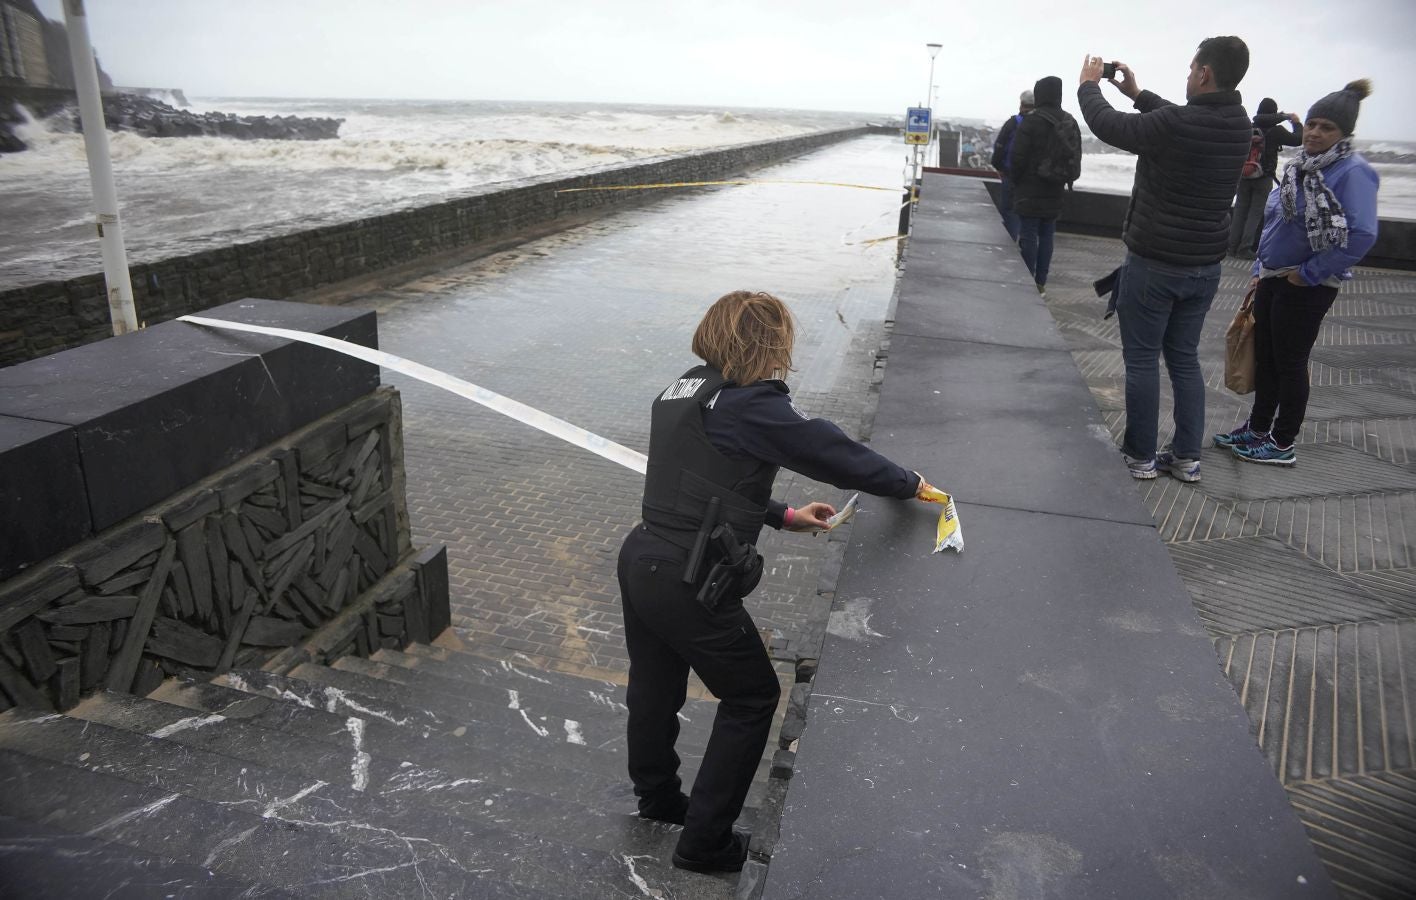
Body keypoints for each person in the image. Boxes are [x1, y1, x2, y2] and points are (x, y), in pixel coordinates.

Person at [617, 290, 937, 874]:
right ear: (770, 344)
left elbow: (699, 476)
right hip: (688, 576)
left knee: (654, 685)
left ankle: (658, 799)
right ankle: (704, 843)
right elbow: (832, 452)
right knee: (753, 696)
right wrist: (907, 482)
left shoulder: (685, 389)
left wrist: (784, 516)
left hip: (642, 558)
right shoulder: (751, 406)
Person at [1077, 38, 1253, 484]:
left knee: (1141, 361)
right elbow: (1180, 119)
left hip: (1155, 266)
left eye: (1192, 68)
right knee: (1184, 359)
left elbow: (1109, 126)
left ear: (1205, 74)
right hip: (1204, 269)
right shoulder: (1238, 123)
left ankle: (1139, 456)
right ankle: (1187, 457)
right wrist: (1137, 94)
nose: (1188, 75)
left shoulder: (1180, 123)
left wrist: (1088, 86)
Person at [1218, 80, 1379, 466]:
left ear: (1344, 134)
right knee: (1268, 358)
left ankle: (1282, 442)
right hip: (1275, 277)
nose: (1315, 133)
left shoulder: (1352, 172)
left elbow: (1361, 235)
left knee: (1290, 363)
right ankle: (1258, 429)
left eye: (1327, 127)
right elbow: (1276, 222)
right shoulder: (1300, 167)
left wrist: (1307, 274)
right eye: (1311, 124)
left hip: (1306, 285)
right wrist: (1260, 268)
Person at [1008, 76, 1082, 298]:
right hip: (1056, 188)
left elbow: (1017, 157)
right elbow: (1075, 156)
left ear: (1039, 95)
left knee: (1029, 234)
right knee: (1047, 234)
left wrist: (1016, 180)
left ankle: (1027, 280)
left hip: (1029, 189)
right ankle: (1041, 282)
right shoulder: (1069, 121)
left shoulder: (1031, 121)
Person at [1228, 98, 1303, 258]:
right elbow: (1298, 139)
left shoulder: (1249, 126)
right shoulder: (1276, 131)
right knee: (1255, 213)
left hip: (1244, 175)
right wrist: (1296, 123)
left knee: (1240, 211)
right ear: (1274, 113)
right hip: (1263, 177)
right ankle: (1244, 249)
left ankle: (1231, 248)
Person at [990, 89, 1034, 241]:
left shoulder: (1013, 123)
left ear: (1021, 104)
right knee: (1028, 216)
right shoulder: (1040, 124)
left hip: (1010, 174)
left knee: (1009, 210)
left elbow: (1000, 146)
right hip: (1033, 178)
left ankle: (1009, 242)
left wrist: (998, 167)